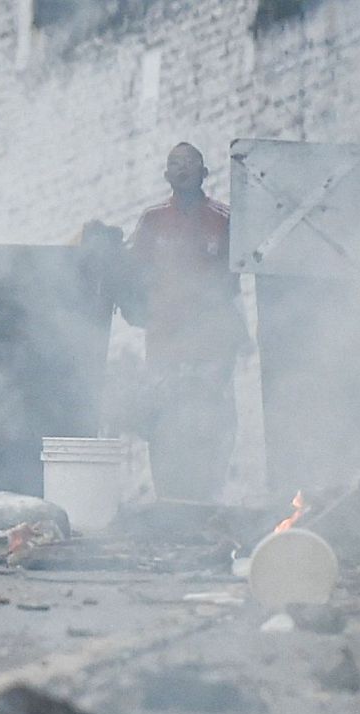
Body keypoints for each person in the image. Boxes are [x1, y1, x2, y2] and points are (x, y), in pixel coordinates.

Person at [127, 142, 247, 502]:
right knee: (163, 421)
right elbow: (134, 276)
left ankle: (208, 498)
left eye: (190, 163)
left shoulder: (224, 219)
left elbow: (233, 281)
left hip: (211, 346)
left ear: (204, 173)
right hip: (164, 343)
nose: (182, 169)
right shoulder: (152, 220)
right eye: (174, 164)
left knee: (212, 422)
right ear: (166, 174)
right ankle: (169, 500)